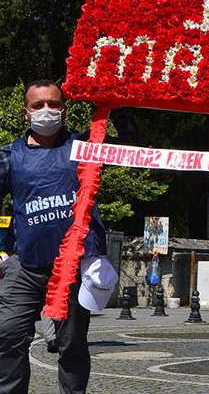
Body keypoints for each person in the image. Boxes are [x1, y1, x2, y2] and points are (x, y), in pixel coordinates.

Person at [0, 80, 124, 394]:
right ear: (26, 112)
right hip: (25, 266)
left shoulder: (85, 147)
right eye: (38, 105)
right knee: (7, 336)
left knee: (72, 346)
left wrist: (113, 100)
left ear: (64, 110)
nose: (47, 111)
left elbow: (134, 148)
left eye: (53, 104)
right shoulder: (9, 156)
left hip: (73, 271)